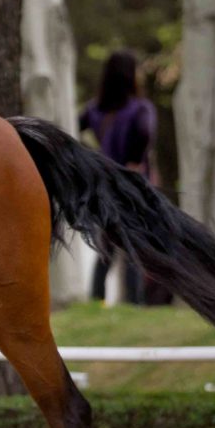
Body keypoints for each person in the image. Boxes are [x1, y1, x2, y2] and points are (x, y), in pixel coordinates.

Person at [79, 50, 157, 304]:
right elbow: (145, 132)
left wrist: (89, 157)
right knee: (134, 247)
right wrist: (135, 161)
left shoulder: (94, 109)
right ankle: (135, 303)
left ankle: (96, 300)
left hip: (104, 183)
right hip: (132, 182)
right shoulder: (140, 108)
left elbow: (72, 126)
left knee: (106, 247)